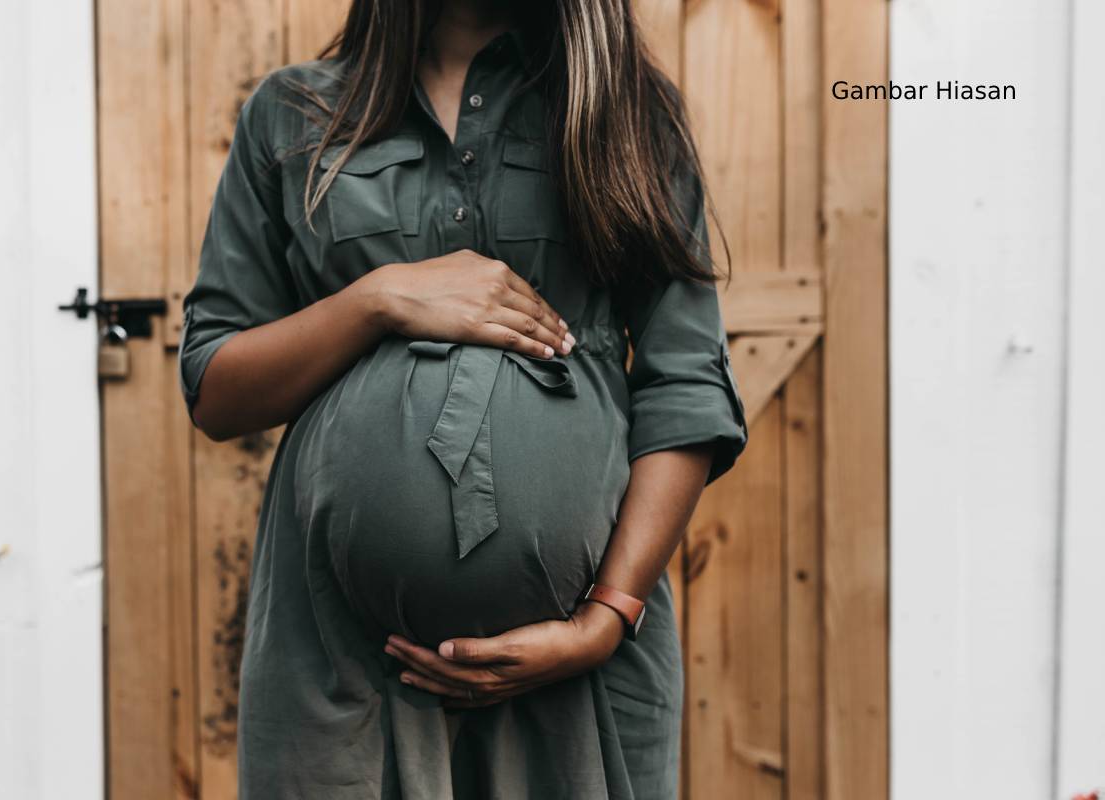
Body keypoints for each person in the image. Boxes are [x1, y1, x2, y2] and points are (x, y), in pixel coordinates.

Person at [178, 0, 747, 796]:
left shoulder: (626, 111)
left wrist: (605, 619)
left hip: (575, 666)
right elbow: (215, 389)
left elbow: (685, 383)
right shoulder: (291, 114)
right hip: (342, 665)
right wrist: (375, 299)